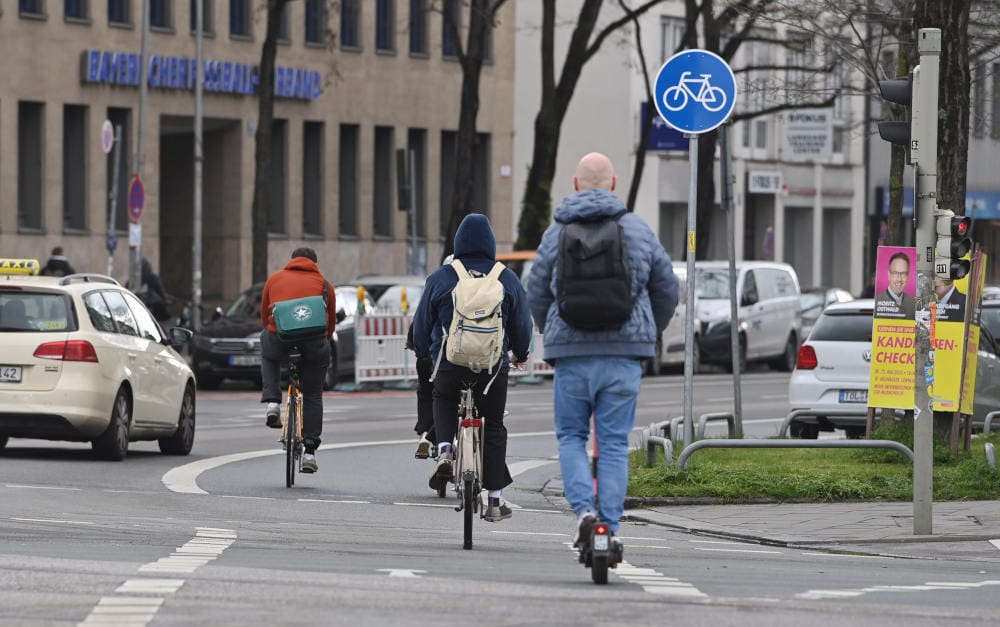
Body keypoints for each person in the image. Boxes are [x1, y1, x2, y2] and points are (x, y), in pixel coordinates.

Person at [526, 152, 678, 549]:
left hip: (572, 355)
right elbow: (667, 288)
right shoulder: (637, 230)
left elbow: (536, 288)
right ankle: (607, 528)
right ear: (613, 185)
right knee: (612, 442)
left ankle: (584, 513)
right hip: (624, 355)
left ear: (575, 185)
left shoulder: (555, 233)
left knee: (572, 436)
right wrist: (647, 332)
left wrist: (551, 329)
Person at [411, 214, 533, 522]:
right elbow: (522, 324)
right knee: (493, 425)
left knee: (444, 397)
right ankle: (494, 500)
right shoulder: (506, 278)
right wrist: (519, 352)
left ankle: (444, 449)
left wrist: (425, 354)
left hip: (450, 364)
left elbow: (422, 323)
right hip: (492, 369)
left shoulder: (442, 277)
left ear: (458, 243)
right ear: (491, 244)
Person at [259, 247, 336, 474]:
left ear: (291, 261)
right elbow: (329, 323)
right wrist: (324, 339)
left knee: (268, 352)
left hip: (281, 338)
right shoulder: (324, 285)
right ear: (315, 263)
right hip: (313, 342)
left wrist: (274, 329)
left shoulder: (274, 279)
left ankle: (273, 402)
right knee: (312, 394)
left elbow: (265, 316)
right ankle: (310, 452)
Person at [406, 254, 453, 460]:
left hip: (432, 356)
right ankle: (438, 438)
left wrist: (419, 351)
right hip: (461, 359)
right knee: (451, 399)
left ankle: (425, 434)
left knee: (427, 392)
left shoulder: (437, 287)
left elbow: (419, 323)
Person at [874, 251, 916, 319]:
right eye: (895, 273)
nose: (899, 279)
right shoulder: (876, 302)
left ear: (908, 276)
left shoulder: (913, 304)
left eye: (903, 273)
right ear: (889, 274)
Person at [138, 258, 171, 322]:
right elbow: (161, 292)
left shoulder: (133, 281)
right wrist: (165, 299)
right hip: (153, 310)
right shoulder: (153, 278)